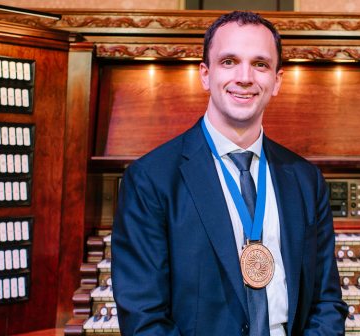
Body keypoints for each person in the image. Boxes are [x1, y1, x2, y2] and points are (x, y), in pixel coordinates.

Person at [112, 11, 347, 336]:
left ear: (277, 81)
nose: (245, 77)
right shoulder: (150, 180)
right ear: (205, 75)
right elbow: (144, 319)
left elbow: (327, 304)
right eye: (229, 61)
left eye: (260, 64)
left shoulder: (306, 179)